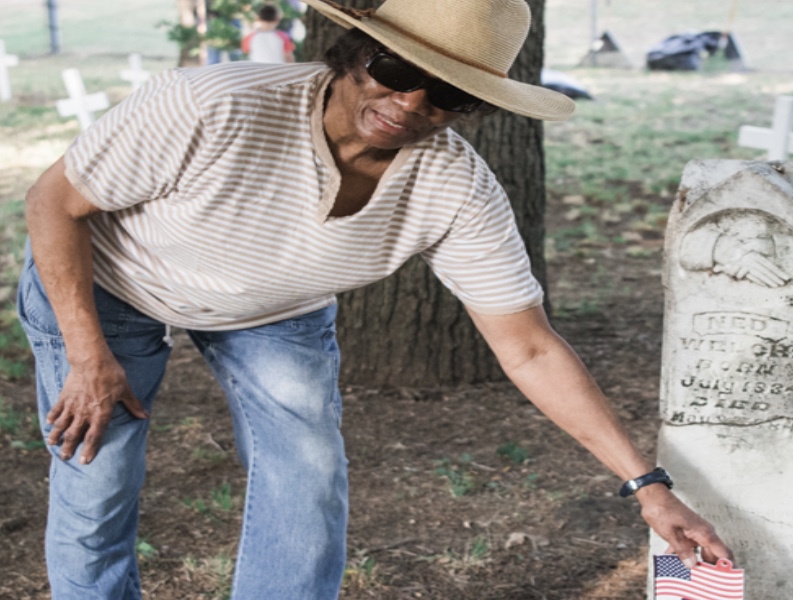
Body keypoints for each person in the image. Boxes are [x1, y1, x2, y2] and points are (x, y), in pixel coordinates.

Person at [17, 0, 733, 597]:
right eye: (395, 70)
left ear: (471, 109)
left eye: (446, 93)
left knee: (309, 476)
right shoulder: (214, 105)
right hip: (110, 283)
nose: (410, 104)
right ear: (352, 54)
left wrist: (647, 484)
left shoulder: (454, 187)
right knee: (98, 479)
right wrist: (87, 354)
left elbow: (532, 347)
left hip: (273, 309)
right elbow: (54, 202)